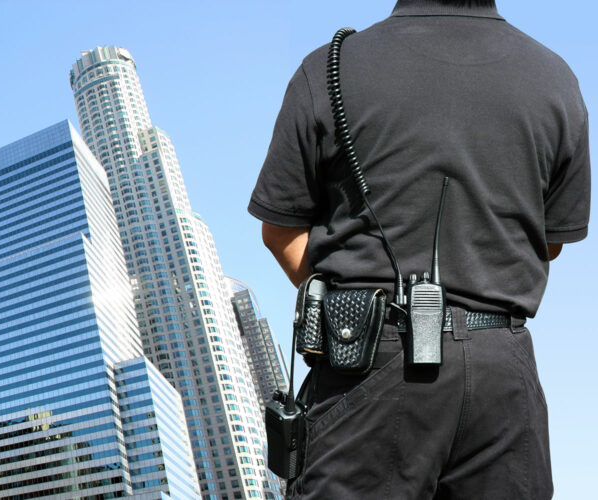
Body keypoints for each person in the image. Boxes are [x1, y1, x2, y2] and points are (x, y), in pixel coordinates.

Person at [248, 0, 590, 498]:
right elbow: (551, 241)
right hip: (504, 372)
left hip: (366, 362)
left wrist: (353, 311)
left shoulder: (330, 65)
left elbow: (280, 230)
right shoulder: (557, 77)